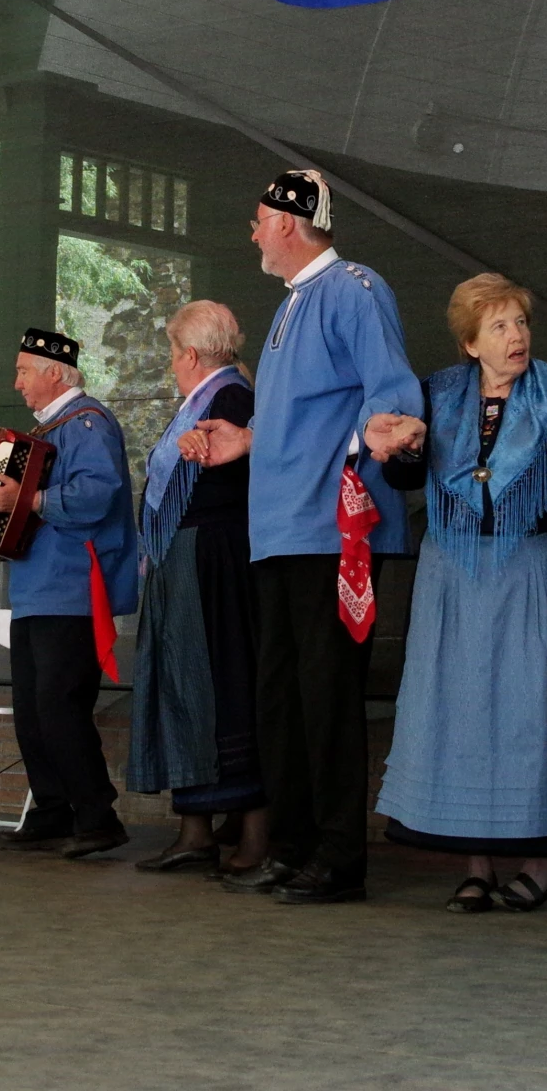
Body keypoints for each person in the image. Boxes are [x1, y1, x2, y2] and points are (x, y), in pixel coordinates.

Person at [186, 169, 424, 905]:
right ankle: (291, 848)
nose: (253, 231)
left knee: (325, 697)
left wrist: (380, 436)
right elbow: (313, 415)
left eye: (260, 219)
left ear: (290, 222)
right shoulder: (293, 304)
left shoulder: (354, 289)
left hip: (331, 529)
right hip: (281, 531)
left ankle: (338, 858)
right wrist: (247, 439)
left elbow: (390, 394)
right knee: (281, 697)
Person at [373, 274, 547, 913]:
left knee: (533, 713)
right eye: (501, 326)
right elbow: (402, 475)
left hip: (532, 571)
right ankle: (475, 864)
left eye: (521, 323)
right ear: (471, 342)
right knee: (458, 714)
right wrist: (399, 447)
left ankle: (540, 862)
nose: (517, 337)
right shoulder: (436, 392)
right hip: (452, 575)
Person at [0, 328, 142, 859]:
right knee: (31, 710)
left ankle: (98, 816)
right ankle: (52, 809)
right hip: (35, 587)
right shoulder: (48, 429)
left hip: (73, 588)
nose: (17, 382)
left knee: (59, 707)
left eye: (24, 371)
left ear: (55, 372)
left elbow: (97, 495)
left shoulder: (88, 423)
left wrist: (24, 500)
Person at [127, 302, 270, 876]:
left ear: (189, 354)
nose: (170, 364)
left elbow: (243, 475)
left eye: (171, 352)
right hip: (183, 557)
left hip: (214, 558)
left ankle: (256, 832)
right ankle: (195, 829)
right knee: (184, 687)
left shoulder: (231, 399)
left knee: (225, 685)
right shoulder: (205, 399)